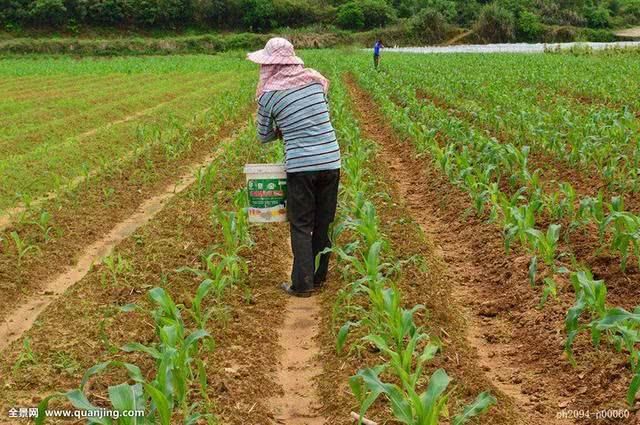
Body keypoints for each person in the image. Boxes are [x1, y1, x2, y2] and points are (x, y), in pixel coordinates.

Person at [247, 38, 341, 298]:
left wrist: (283, 130)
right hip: (331, 160)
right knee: (324, 221)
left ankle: (302, 284)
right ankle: (320, 276)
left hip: (301, 165)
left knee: (301, 224)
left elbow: (264, 136)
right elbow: (320, 116)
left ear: (269, 66)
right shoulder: (314, 81)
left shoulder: (268, 96)